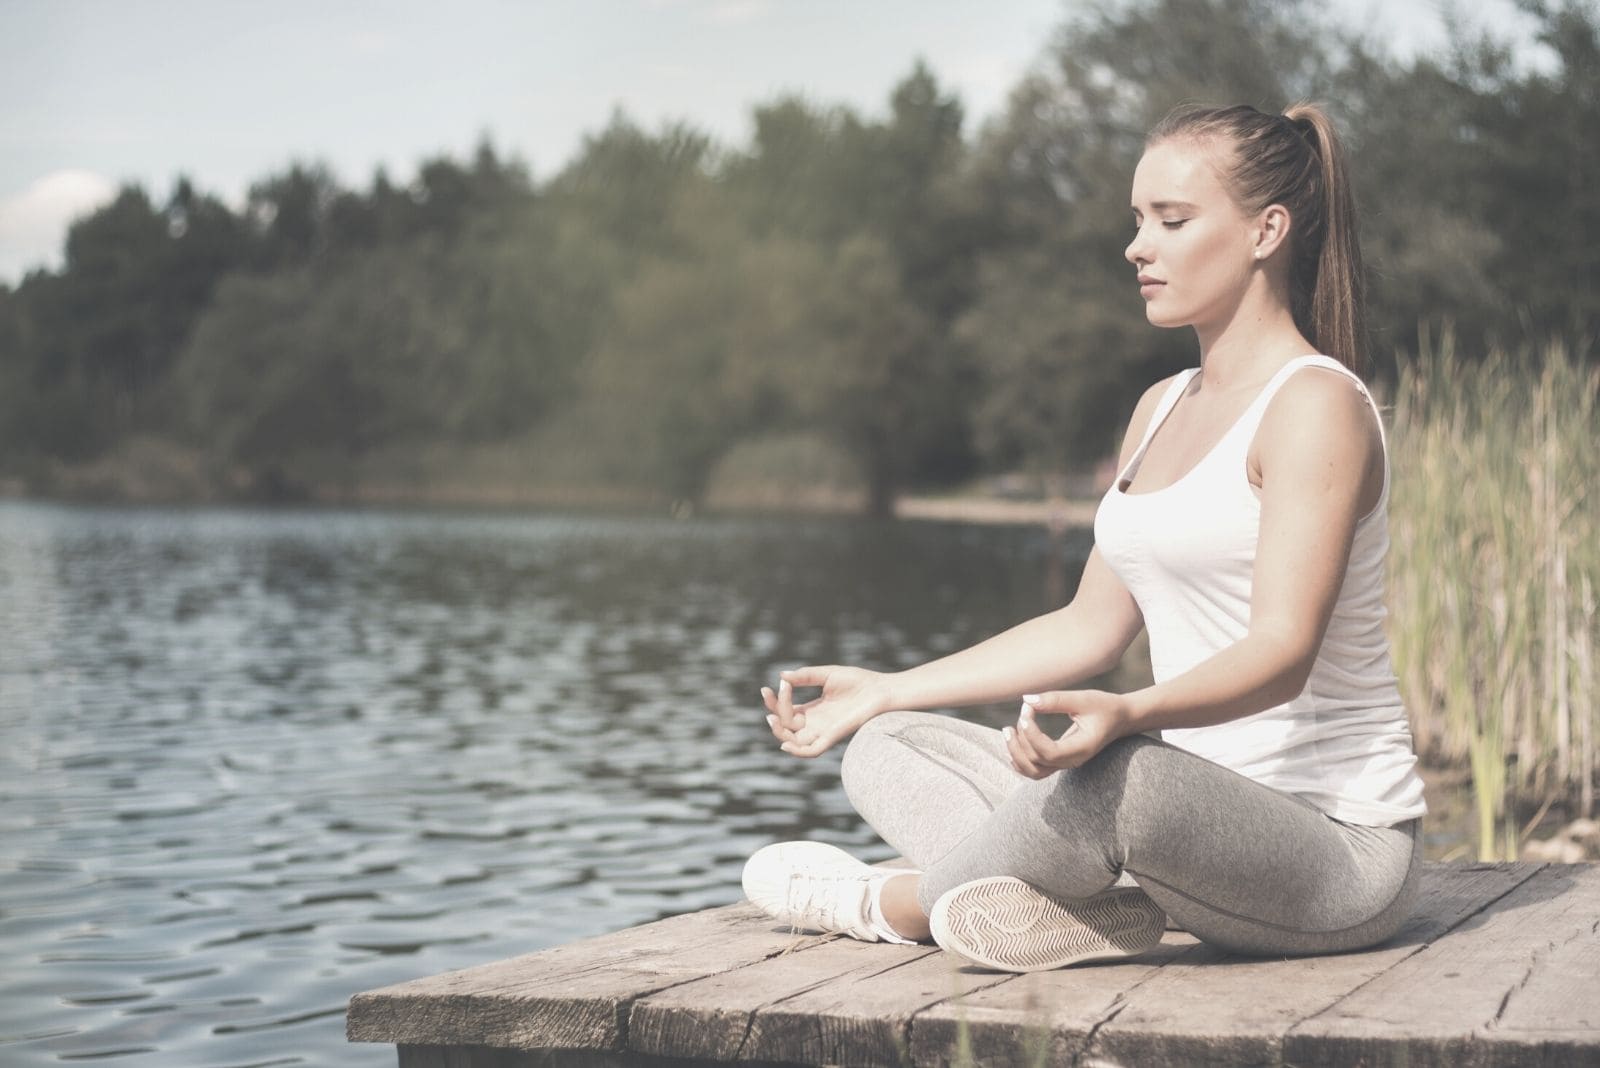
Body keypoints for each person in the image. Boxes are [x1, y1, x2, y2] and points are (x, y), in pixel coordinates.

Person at [740, 101, 1427, 973]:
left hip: (1332, 855)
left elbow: (1284, 648)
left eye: (1172, 221)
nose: (1138, 247)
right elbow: (1088, 628)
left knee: (1118, 777)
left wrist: (1129, 713)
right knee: (893, 743)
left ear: (1267, 230)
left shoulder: (1316, 406)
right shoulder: (1161, 406)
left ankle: (895, 903)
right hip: (1186, 836)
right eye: (1137, 221)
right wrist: (885, 689)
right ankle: (1066, 895)